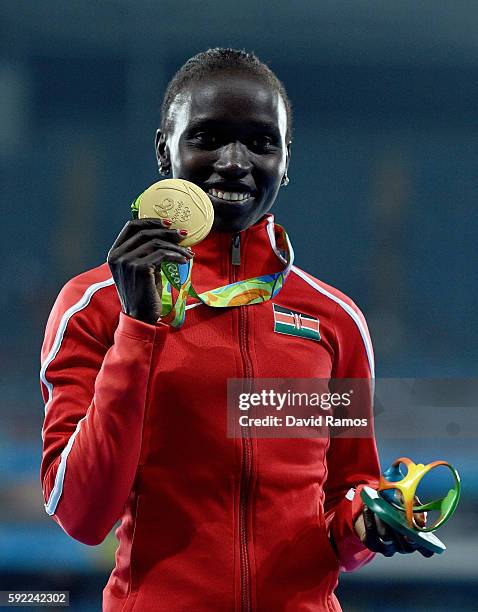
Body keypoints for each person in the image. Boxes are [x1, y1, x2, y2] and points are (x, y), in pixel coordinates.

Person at [40, 48, 431, 612]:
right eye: (206, 137)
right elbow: (81, 513)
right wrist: (138, 327)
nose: (233, 161)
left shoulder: (335, 321)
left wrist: (365, 524)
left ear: (286, 159)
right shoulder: (95, 306)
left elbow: (347, 497)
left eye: (260, 142)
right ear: (163, 150)